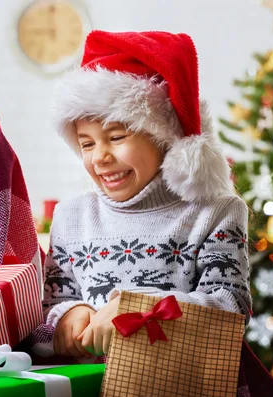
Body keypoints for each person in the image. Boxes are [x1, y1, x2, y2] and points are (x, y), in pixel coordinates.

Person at [43, 30, 252, 359]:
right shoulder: (71, 217)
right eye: (87, 143)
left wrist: (140, 310)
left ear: (163, 137)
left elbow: (231, 310)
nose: (99, 157)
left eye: (116, 137)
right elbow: (43, 318)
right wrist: (66, 318)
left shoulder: (215, 212)